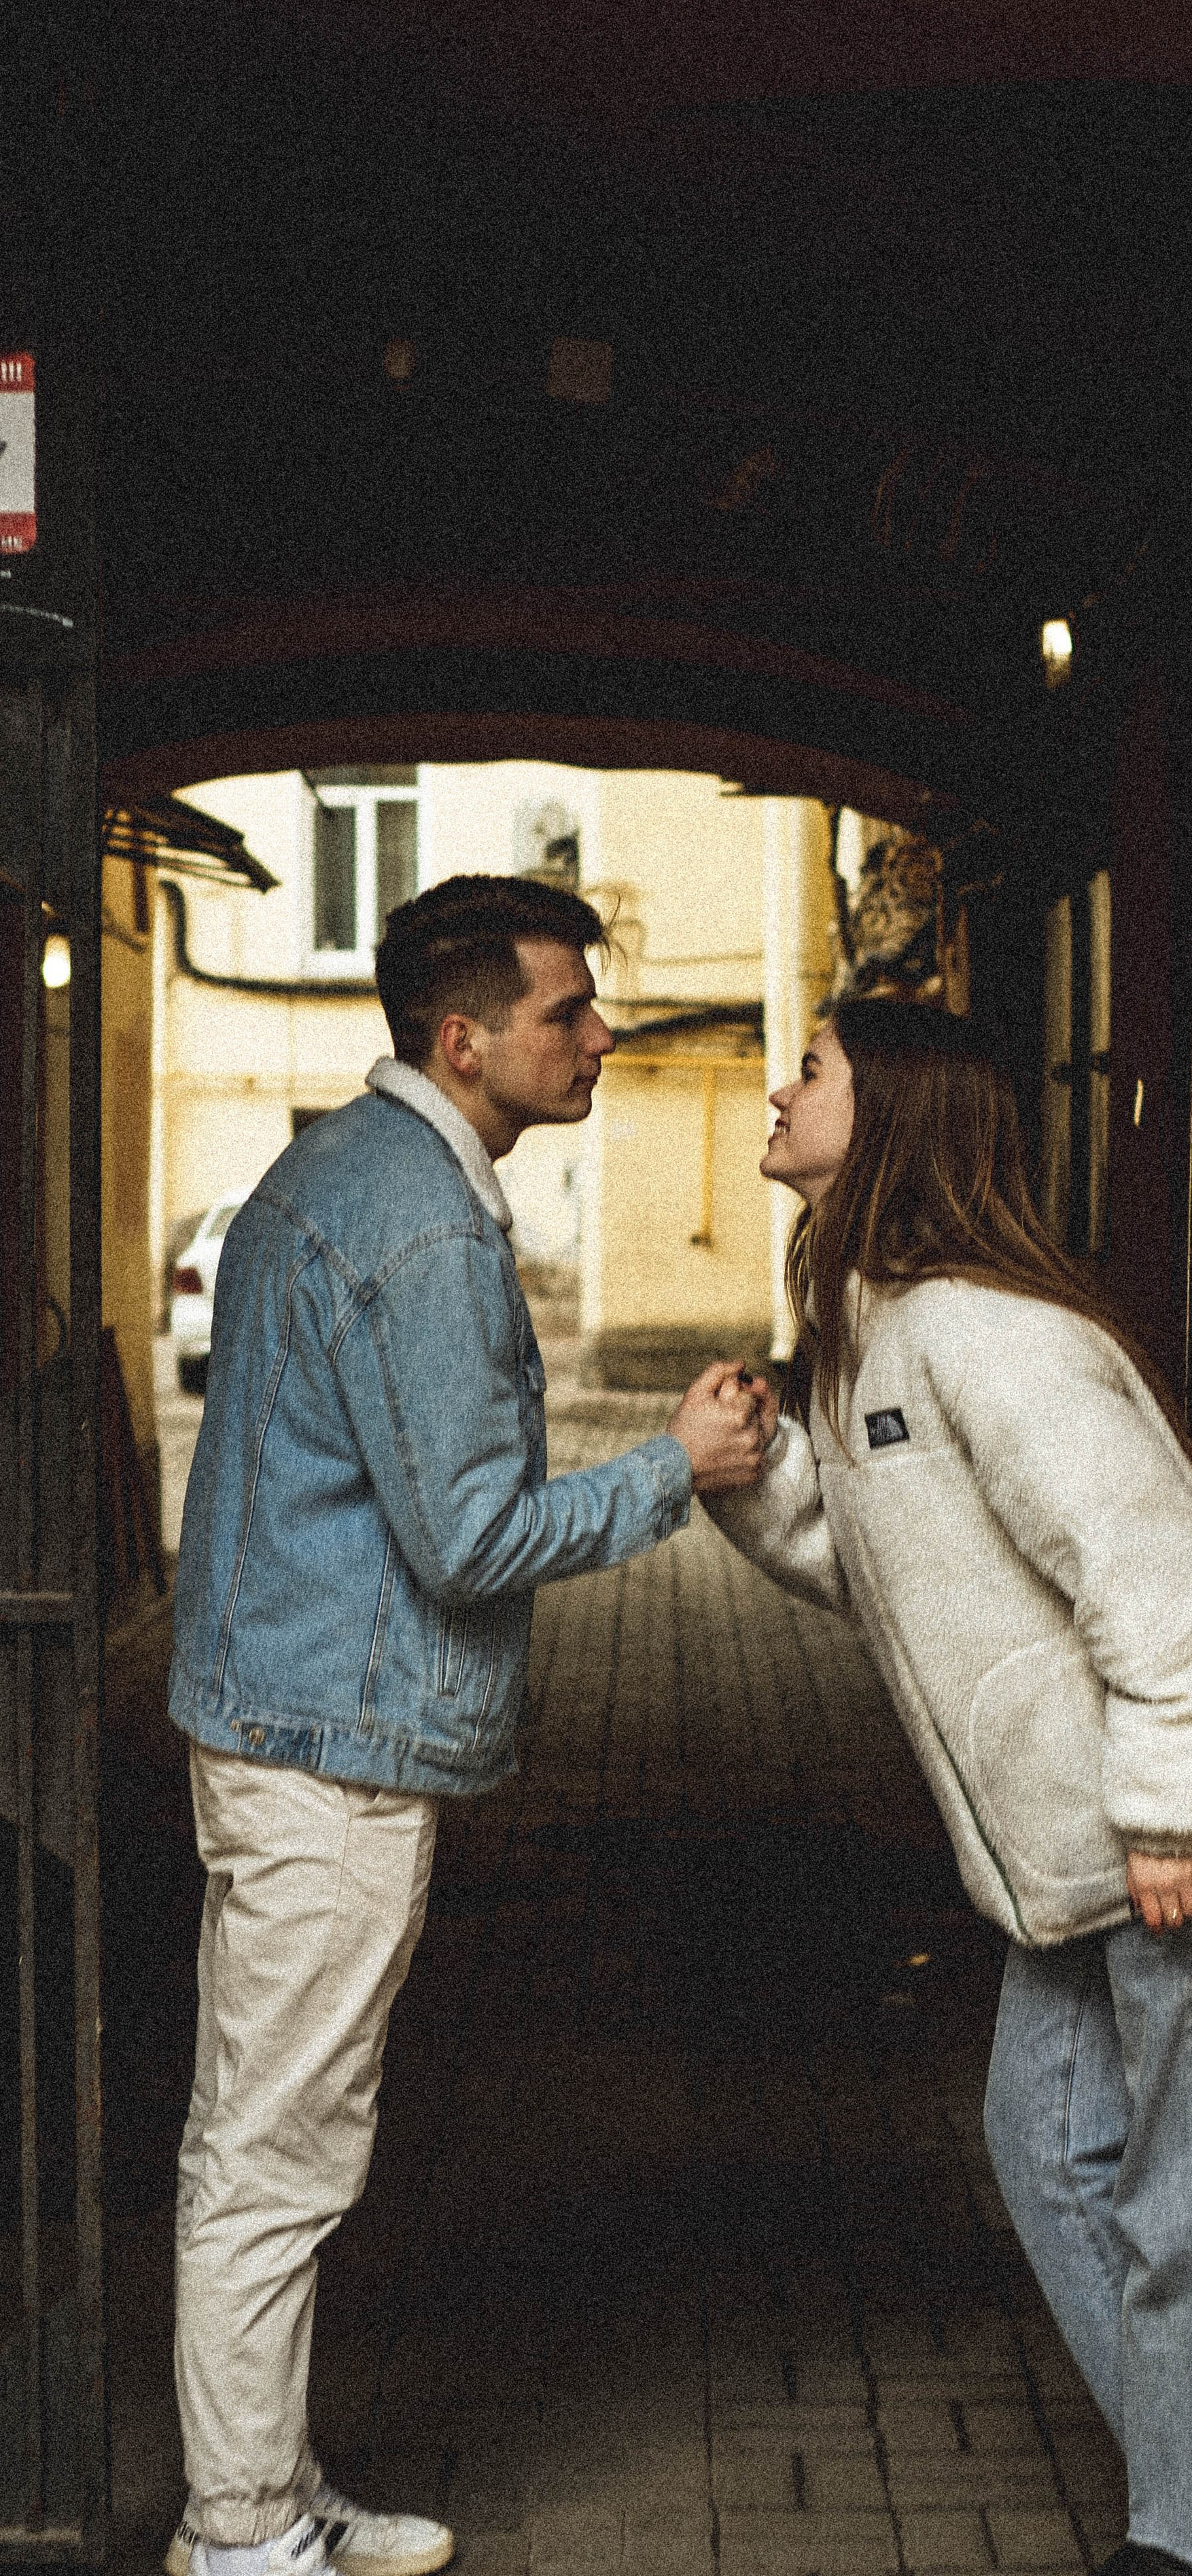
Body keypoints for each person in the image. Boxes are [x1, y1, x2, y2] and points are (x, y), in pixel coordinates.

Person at [165, 875, 769, 2576]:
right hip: (327, 1757)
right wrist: (678, 1471)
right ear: (463, 1037)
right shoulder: (423, 1222)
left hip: (279, 1720)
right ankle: (235, 2536)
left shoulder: (335, 1171)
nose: (599, 1036)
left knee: (266, 2138)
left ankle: (262, 2496)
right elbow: (473, 1537)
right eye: (565, 1012)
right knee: (276, 2159)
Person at [704, 998, 1192, 2576]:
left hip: (1174, 1831)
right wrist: (753, 1483)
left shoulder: (985, 1332)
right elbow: (878, 1572)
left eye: (817, 1069)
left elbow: (1159, 1579)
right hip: (1067, 1858)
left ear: (895, 1109)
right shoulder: (872, 1331)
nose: (781, 1090)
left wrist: (1175, 1806)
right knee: (1048, 2152)